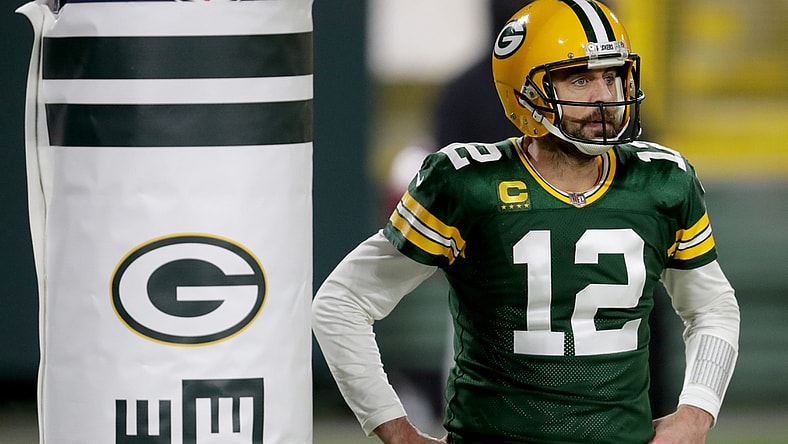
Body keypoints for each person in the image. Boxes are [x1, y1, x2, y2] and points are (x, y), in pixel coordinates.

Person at [312, 1, 740, 443]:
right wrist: (397, 431)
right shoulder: (467, 183)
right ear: (526, 91)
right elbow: (340, 303)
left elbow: (713, 308)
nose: (603, 97)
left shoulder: (662, 180)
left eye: (611, 75)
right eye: (580, 78)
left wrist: (696, 412)